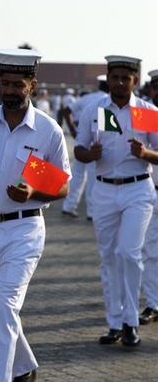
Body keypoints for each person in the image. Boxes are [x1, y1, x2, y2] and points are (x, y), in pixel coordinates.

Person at [0, 49, 71, 382]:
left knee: (5, 306)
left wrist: (33, 193)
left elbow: (62, 186)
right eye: (5, 83)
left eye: (16, 84)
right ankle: (23, 366)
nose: (9, 90)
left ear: (32, 85)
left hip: (24, 230)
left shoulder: (47, 131)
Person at [74, 55, 158, 347]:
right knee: (108, 256)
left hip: (138, 189)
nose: (120, 82)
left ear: (135, 80)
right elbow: (79, 150)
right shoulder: (94, 110)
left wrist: (146, 154)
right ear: (108, 79)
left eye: (126, 77)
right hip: (104, 190)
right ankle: (114, 323)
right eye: (115, 77)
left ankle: (131, 322)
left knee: (129, 253)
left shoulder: (147, 112)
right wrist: (90, 154)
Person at [60, 75, 109, 219]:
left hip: (81, 141)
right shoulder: (108, 100)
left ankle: (68, 206)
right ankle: (91, 212)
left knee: (77, 176)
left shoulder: (87, 98)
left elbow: (66, 111)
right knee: (93, 177)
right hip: (96, 142)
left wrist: (73, 131)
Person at [139, 68, 158, 325]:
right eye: (155, 86)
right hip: (152, 191)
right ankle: (153, 303)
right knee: (150, 250)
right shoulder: (145, 115)